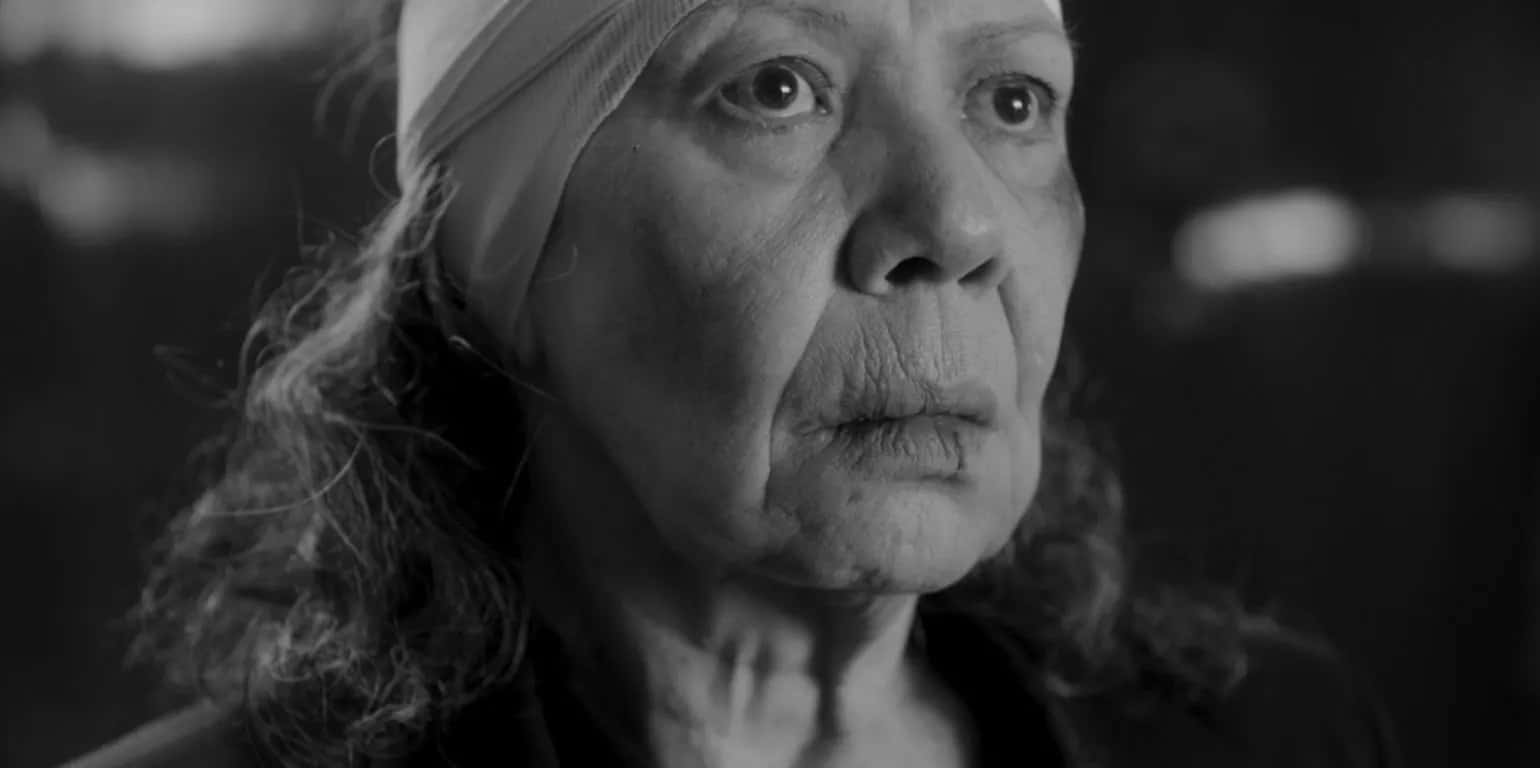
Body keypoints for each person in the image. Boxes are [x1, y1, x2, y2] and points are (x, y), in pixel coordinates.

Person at [68, 0, 1401, 766]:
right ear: (495, 263)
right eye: (777, 87)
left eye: (1011, 103)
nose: (961, 220)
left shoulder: (1278, 741)